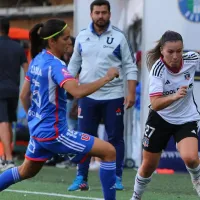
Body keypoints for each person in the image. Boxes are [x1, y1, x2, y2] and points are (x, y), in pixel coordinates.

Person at [0, 19, 119, 200]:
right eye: (65, 38)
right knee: (109, 151)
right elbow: (77, 91)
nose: (69, 41)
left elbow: (24, 96)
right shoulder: (56, 65)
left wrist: (34, 120)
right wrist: (107, 77)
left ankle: (76, 159)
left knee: (25, 171)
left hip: (39, 131)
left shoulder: (38, 59)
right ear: (52, 41)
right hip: (54, 133)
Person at [68, 0, 138, 191]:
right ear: (91, 14)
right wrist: (66, 86)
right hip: (87, 95)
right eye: (97, 12)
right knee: (84, 137)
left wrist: (131, 92)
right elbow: (73, 65)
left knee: (115, 138)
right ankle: (81, 176)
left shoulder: (119, 37)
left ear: (109, 14)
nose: (101, 16)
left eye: (104, 12)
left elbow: (131, 66)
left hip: (113, 96)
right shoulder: (82, 36)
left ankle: (116, 177)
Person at [131, 30, 200, 200]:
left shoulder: (191, 59)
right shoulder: (157, 70)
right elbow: (155, 104)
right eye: (170, 52)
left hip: (186, 118)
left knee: (191, 158)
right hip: (160, 119)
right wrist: (175, 96)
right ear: (162, 50)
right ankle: (136, 197)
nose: (175, 56)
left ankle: (197, 181)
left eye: (179, 51)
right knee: (148, 166)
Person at [0, 17, 28, 171]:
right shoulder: (17, 47)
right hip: (14, 90)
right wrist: (28, 89)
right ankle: (5, 157)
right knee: (9, 122)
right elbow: (27, 68)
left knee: (3, 121)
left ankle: (8, 159)